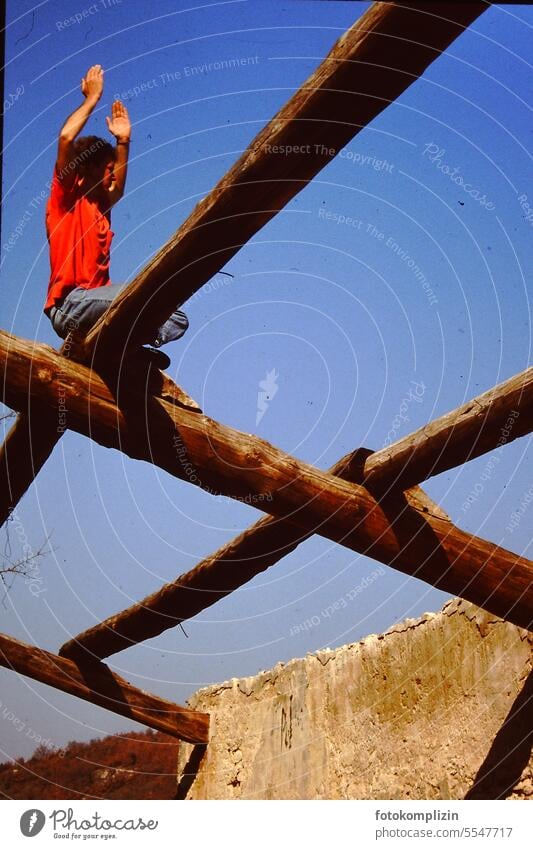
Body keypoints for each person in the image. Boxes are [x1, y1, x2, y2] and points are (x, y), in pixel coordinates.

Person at [44, 64, 188, 370]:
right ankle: (127, 346)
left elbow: (118, 189)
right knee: (142, 294)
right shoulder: (67, 199)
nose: (112, 178)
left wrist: (123, 142)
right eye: (108, 170)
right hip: (71, 306)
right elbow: (67, 139)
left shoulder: (100, 208)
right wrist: (91, 100)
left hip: (98, 309)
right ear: (89, 168)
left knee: (177, 317)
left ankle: (125, 350)